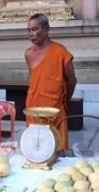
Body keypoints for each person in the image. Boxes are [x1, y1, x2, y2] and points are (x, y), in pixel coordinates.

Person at [24, 13, 77, 150]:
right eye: (29, 30)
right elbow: (36, 79)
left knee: (57, 148)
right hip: (34, 108)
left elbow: (72, 80)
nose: (31, 34)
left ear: (46, 29)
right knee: (35, 148)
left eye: (35, 29)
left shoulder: (60, 51)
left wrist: (65, 101)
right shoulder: (28, 54)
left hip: (55, 108)